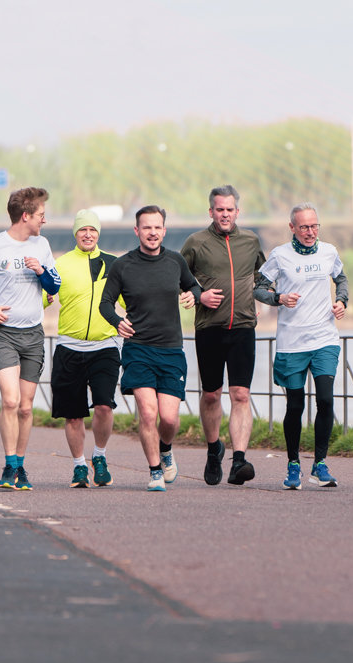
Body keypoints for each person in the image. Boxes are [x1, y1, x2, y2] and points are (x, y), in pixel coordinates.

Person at [0, 187, 61, 490]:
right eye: (41, 214)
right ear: (25, 215)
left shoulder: (41, 244)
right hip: (3, 334)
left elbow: (55, 285)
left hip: (33, 335)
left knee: (27, 407)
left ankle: (21, 465)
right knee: (10, 400)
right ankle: (8, 465)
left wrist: (41, 270)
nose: (44, 220)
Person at [98, 205, 202, 491]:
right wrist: (117, 321)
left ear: (164, 230)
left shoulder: (175, 261)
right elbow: (105, 303)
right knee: (147, 412)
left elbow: (194, 287)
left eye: (157, 227)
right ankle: (155, 471)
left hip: (170, 350)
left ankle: (166, 449)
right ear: (137, 231)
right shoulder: (123, 265)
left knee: (169, 419)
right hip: (138, 349)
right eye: (147, 227)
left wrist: (193, 296)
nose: (152, 232)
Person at [255, 204, 349, 489]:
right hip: (292, 342)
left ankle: (320, 464)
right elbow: (259, 287)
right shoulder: (279, 255)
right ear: (292, 227)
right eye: (305, 227)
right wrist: (279, 298)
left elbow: (341, 279)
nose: (310, 232)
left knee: (326, 400)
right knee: (295, 405)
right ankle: (293, 464)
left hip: (324, 339)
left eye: (314, 226)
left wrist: (342, 300)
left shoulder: (329, 252)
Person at [180, 185, 267, 485]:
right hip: (209, 329)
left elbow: (262, 278)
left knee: (240, 394)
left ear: (237, 211)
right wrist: (199, 296)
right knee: (211, 394)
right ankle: (213, 448)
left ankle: (239, 460)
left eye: (230, 209)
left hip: (243, 327)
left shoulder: (251, 241)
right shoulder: (196, 242)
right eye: (220, 209)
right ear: (211, 212)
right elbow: (180, 278)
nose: (225, 214)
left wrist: (266, 299)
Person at [45, 210, 122, 488]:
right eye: (82, 230)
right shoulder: (60, 265)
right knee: (73, 414)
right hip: (69, 347)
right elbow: (42, 297)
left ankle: (99, 457)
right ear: (75, 234)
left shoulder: (113, 264)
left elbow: (131, 301)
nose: (87, 234)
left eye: (92, 230)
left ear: (98, 233)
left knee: (103, 405)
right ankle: (79, 466)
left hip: (105, 346)